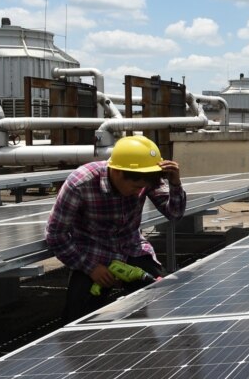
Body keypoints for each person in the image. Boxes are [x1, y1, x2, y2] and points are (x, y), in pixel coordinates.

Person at [45, 135, 185, 322]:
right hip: (93, 255)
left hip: (131, 249)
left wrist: (175, 184)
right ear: (117, 172)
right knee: (76, 320)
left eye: (143, 188)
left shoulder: (143, 178)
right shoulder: (81, 183)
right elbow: (56, 234)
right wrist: (91, 267)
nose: (139, 192)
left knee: (170, 301)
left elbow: (174, 214)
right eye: (135, 187)